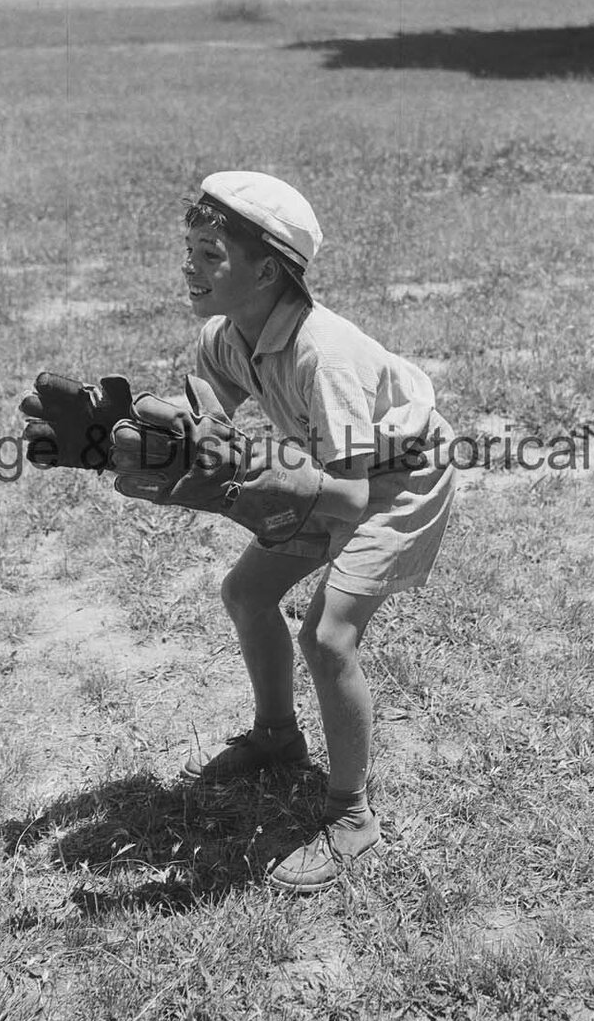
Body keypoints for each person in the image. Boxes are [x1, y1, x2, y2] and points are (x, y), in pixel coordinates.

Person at [178, 171, 457, 894]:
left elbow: (353, 494)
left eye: (212, 253)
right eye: (190, 249)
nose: (190, 266)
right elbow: (215, 384)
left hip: (397, 481)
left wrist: (265, 476)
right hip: (330, 470)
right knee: (245, 592)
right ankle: (277, 736)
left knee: (329, 636)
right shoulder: (228, 331)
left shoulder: (322, 356)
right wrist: (193, 437)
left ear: (266, 270)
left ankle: (353, 813)